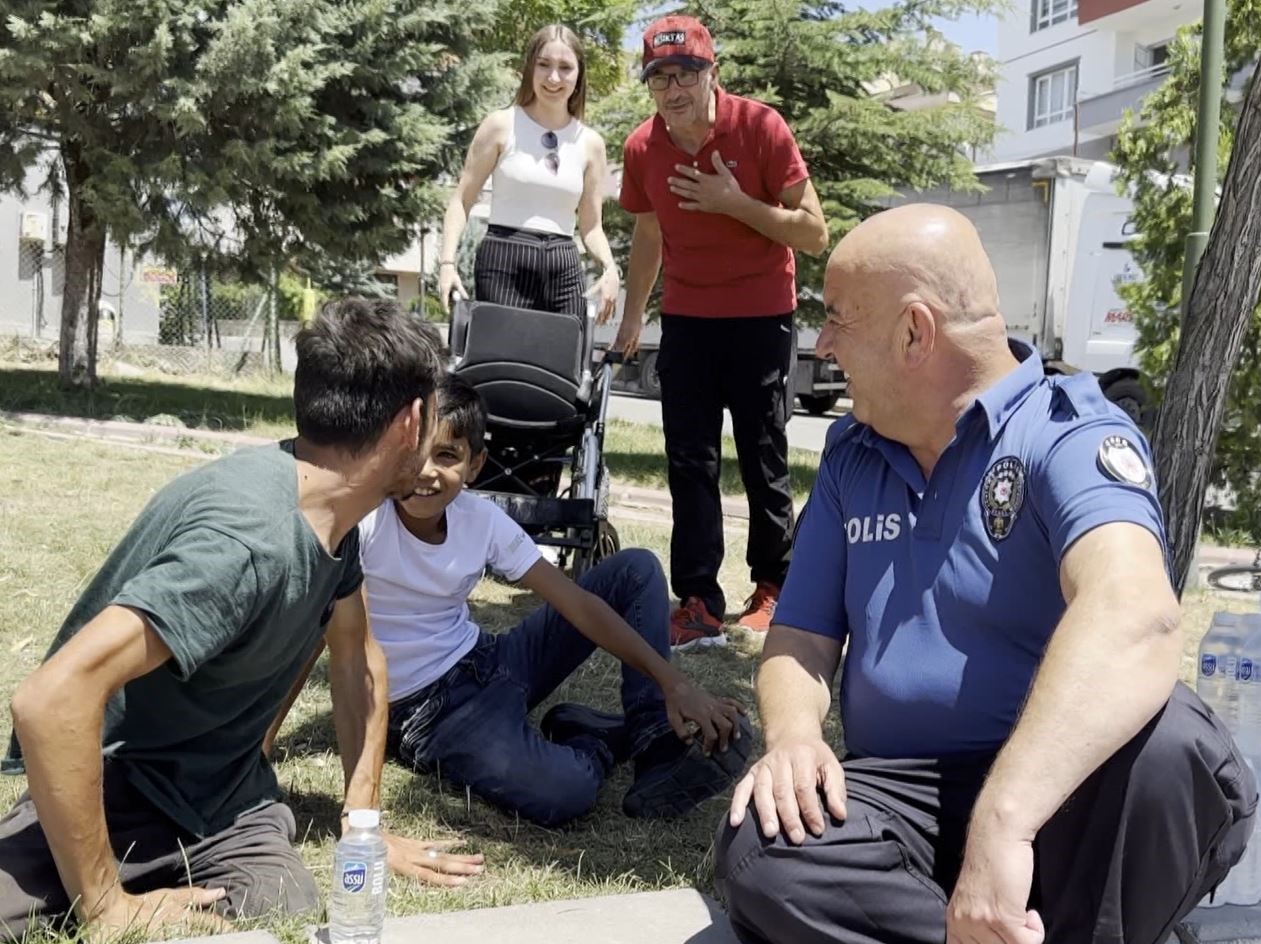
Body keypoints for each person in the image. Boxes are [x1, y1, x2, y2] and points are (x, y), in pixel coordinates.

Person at [713, 205, 1256, 944]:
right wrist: (795, 740)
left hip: (1063, 794)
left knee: (1175, 750)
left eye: (839, 318)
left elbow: (1136, 613)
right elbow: (799, 639)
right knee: (763, 847)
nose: (824, 343)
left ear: (914, 331)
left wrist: (1003, 823)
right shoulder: (853, 456)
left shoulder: (1065, 431)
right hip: (907, 797)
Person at [0, 299, 485, 943]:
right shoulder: (246, 545)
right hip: (123, 788)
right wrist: (106, 905)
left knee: (280, 906)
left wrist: (364, 826)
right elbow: (51, 699)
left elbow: (357, 657)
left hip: (230, 801)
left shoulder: (333, 512)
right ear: (413, 421)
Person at [362, 375, 752, 826]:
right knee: (568, 792)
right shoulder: (368, 520)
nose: (425, 471)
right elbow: (318, 626)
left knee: (636, 568)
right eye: (413, 452)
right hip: (432, 715)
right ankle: (595, 740)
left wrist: (674, 684)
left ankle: (653, 737)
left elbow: (577, 603)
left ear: (474, 465)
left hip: (489, 661)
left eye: (446, 455)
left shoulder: (478, 517)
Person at [611, 15, 829, 650]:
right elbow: (648, 232)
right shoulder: (641, 148)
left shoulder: (761, 127)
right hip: (686, 318)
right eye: (660, 78)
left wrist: (735, 202)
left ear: (713, 74)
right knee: (690, 462)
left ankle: (773, 589)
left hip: (761, 314)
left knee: (764, 454)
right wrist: (632, 314)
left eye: (686, 73)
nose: (674, 88)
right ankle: (700, 599)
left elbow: (814, 233)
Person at [437, 24, 618, 324]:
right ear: (530, 68)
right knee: (502, 365)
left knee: (564, 365)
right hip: (504, 259)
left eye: (565, 67)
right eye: (544, 65)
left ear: (579, 75)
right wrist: (447, 263)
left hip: (563, 263)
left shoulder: (591, 143)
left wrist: (611, 268)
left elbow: (591, 226)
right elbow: (461, 200)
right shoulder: (500, 125)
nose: (554, 77)